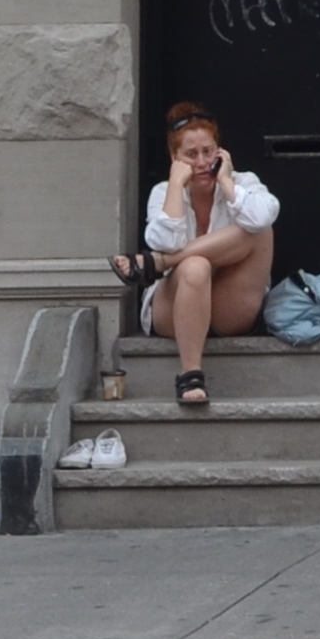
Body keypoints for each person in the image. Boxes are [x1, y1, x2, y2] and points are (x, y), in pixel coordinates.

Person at [113, 102, 279, 411]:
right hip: (173, 310)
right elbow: (163, 240)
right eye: (191, 155)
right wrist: (177, 183)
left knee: (259, 227)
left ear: (221, 153)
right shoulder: (164, 191)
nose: (202, 162)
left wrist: (227, 183)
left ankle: (154, 266)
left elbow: (263, 216)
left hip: (229, 308)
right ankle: (190, 374)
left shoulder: (243, 184)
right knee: (194, 266)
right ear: (175, 159)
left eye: (208, 151)